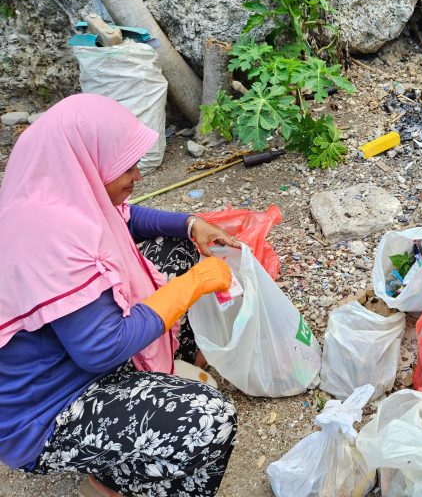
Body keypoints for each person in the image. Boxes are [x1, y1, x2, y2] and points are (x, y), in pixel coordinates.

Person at [0, 94, 242, 496]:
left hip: (74, 360)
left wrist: (191, 223)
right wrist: (195, 282)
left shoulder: (57, 191)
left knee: (177, 246)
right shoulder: (46, 237)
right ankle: (119, 481)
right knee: (208, 418)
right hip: (47, 413)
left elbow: (128, 218)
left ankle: (160, 385)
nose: (137, 176)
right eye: (126, 166)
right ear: (86, 160)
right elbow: (101, 349)